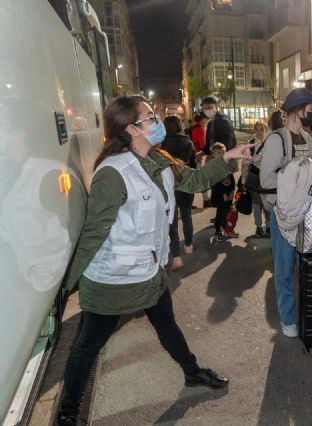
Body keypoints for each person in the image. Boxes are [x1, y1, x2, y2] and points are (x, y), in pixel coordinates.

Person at [55, 96, 253, 426]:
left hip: (149, 270)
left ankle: (191, 372)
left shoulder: (158, 160)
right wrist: (65, 289)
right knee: (87, 346)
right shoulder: (113, 173)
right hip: (114, 279)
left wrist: (231, 157)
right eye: (149, 117)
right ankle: (68, 413)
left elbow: (195, 180)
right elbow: (93, 232)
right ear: (131, 128)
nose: (157, 119)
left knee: (166, 324)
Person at [259, 88, 312, 338]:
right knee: (284, 270)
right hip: (283, 217)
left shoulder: (306, 138)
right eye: (310, 108)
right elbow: (266, 180)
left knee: (304, 266)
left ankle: (304, 311)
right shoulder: (277, 139)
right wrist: (285, 197)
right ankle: (287, 318)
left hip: (307, 215)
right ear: (298, 109)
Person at [161, 116, 197, 271]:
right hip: (186, 184)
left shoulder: (160, 144)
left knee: (172, 221)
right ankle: (188, 245)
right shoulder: (187, 142)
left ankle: (176, 257)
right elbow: (194, 165)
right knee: (187, 215)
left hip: (168, 185)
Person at [241, 121, 271, 238]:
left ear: (266, 130)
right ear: (254, 131)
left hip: (268, 178)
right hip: (254, 177)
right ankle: (258, 227)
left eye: (261, 129)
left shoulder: (271, 143)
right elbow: (245, 164)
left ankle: (268, 227)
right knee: (257, 204)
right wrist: (244, 181)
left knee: (268, 204)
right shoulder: (250, 144)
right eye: (256, 129)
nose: (259, 132)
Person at [210, 143, 237, 241]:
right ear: (213, 155)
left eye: (223, 153)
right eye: (218, 153)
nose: (221, 155)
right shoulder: (213, 167)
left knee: (228, 213)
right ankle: (218, 231)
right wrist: (224, 194)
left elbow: (232, 180)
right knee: (220, 213)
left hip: (229, 193)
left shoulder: (227, 164)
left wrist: (232, 192)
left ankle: (228, 230)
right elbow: (216, 183)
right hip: (219, 195)